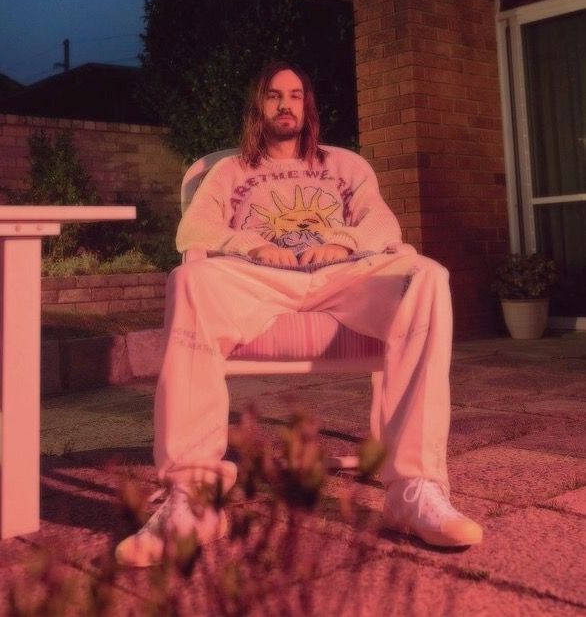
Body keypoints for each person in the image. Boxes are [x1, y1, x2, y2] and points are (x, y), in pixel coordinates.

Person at [115, 61, 483, 567]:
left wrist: (341, 242)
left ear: (308, 106)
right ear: (258, 107)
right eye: (273, 95)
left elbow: (383, 223)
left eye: (295, 95)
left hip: (344, 276)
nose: (285, 104)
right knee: (189, 280)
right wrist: (252, 245)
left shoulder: (346, 166)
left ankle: (415, 490)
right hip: (261, 281)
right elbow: (192, 234)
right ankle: (194, 500)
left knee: (426, 278)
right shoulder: (228, 172)